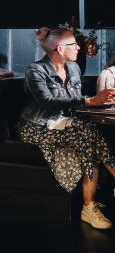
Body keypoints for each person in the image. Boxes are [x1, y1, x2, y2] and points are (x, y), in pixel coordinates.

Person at [17, 27, 115, 229]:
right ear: (60, 49)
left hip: (63, 123)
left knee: (90, 135)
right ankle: (88, 207)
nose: (78, 48)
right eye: (74, 44)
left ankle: (88, 207)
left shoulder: (74, 68)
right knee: (89, 134)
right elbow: (47, 101)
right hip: (36, 126)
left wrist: (100, 101)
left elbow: (74, 103)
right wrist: (89, 101)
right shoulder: (35, 70)